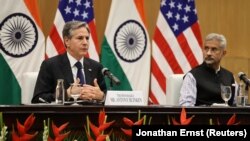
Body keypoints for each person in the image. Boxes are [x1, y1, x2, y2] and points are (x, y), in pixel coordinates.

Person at [31, 21, 106, 103]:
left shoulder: (96, 67)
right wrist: (66, 94)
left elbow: (106, 96)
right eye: (80, 38)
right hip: (63, 115)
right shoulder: (50, 65)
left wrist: (102, 96)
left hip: (91, 115)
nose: (85, 42)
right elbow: (38, 99)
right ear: (67, 41)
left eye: (87, 38)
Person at [179, 33, 236, 106]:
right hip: (201, 117)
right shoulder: (192, 76)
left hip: (228, 117)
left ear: (223, 53)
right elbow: (186, 107)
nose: (208, 53)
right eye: (206, 48)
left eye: (214, 49)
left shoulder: (230, 76)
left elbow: (236, 106)